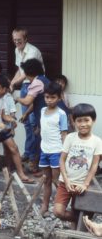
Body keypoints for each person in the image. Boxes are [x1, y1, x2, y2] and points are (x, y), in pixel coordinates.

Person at [53, 103, 102, 227]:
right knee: (58, 211)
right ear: (74, 121)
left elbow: (94, 165)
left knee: (77, 209)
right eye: (79, 121)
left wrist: (85, 184)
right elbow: (62, 160)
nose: (83, 124)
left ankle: (78, 227)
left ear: (93, 120)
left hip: (82, 185)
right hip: (65, 183)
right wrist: (66, 180)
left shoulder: (97, 141)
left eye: (86, 120)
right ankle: (84, 222)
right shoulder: (70, 137)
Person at [0, 74, 34, 183]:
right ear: (0, 87)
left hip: (1, 129)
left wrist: (12, 120)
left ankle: (21, 174)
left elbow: (4, 115)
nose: (6, 92)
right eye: (5, 89)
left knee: (14, 148)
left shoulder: (2, 99)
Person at [10, 27, 45, 166]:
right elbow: (20, 69)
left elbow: (27, 72)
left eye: (19, 40)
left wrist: (15, 85)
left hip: (34, 84)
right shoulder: (16, 50)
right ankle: (28, 152)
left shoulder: (32, 51)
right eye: (14, 40)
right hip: (25, 86)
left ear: (26, 39)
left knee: (34, 123)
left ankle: (35, 157)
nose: (16, 42)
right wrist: (12, 83)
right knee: (26, 123)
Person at [16, 58, 49, 173]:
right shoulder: (44, 80)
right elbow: (36, 101)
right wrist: (26, 113)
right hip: (45, 118)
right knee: (38, 139)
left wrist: (16, 98)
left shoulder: (37, 82)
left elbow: (27, 101)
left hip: (47, 119)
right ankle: (37, 165)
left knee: (40, 141)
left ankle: (37, 167)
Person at [39, 82, 68, 216]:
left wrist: (64, 153)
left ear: (59, 98)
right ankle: (44, 206)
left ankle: (63, 205)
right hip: (44, 150)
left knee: (57, 181)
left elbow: (64, 134)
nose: (49, 100)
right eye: (47, 97)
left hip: (56, 151)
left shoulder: (61, 114)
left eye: (52, 97)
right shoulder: (42, 111)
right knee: (46, 180)